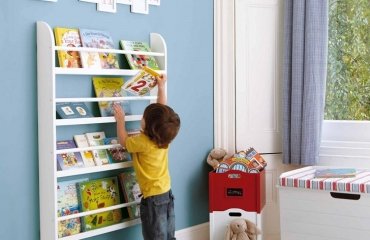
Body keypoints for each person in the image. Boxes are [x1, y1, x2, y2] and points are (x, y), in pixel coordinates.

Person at [113, 74, 180, 240]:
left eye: (143, 118)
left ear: (149, 126)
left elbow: (123, 141)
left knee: (154, 236)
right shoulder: (164, 138)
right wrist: (161, 87)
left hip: (152, 199)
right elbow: (161, 110)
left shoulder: (142, 142)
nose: (141, 119)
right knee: (168, 236)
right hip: (166, 193)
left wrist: (120, 121)